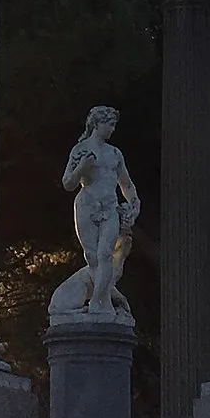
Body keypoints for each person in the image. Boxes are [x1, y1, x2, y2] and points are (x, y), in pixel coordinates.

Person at [59, 106, 140, 315]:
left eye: (114, 125)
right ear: (97, 123)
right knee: (93, 257)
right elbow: (68, 182)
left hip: (110, 207)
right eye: (110, 124)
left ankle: (98, 302)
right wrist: (82, 168)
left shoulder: (114, 153)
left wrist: (134, 202)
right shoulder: (81, 150)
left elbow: (127, 184)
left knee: (106, 254)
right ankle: (104, 303)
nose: (112, 129)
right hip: (86, 206)